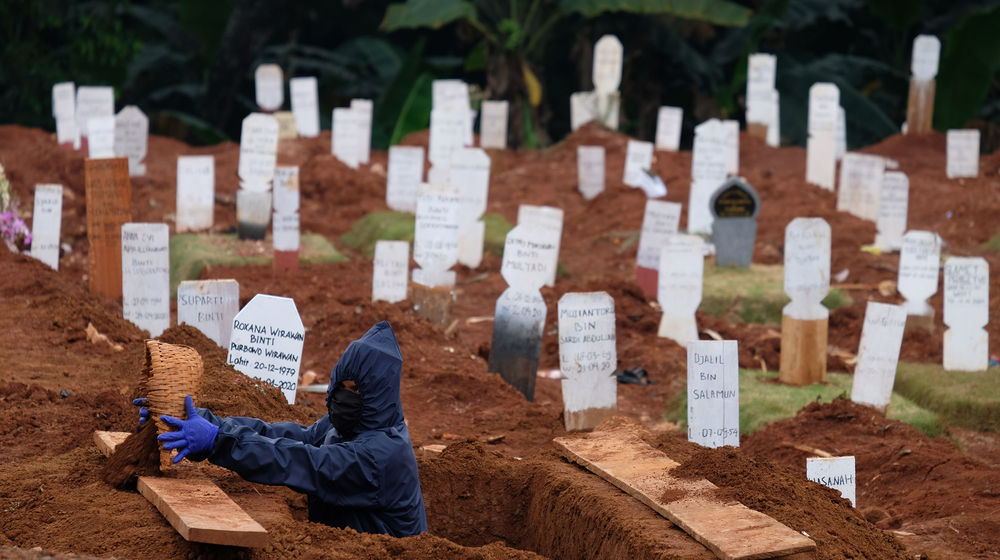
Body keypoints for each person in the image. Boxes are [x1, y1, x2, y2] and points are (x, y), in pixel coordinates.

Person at [135, 321, 427, 537]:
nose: (345, 396)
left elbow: (304, 461)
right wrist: (206, 421)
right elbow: (290, 437)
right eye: (342, 386)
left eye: (357, 391)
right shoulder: (349, 425)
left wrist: (218, 441)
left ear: (379, 396)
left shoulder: (382, 455)